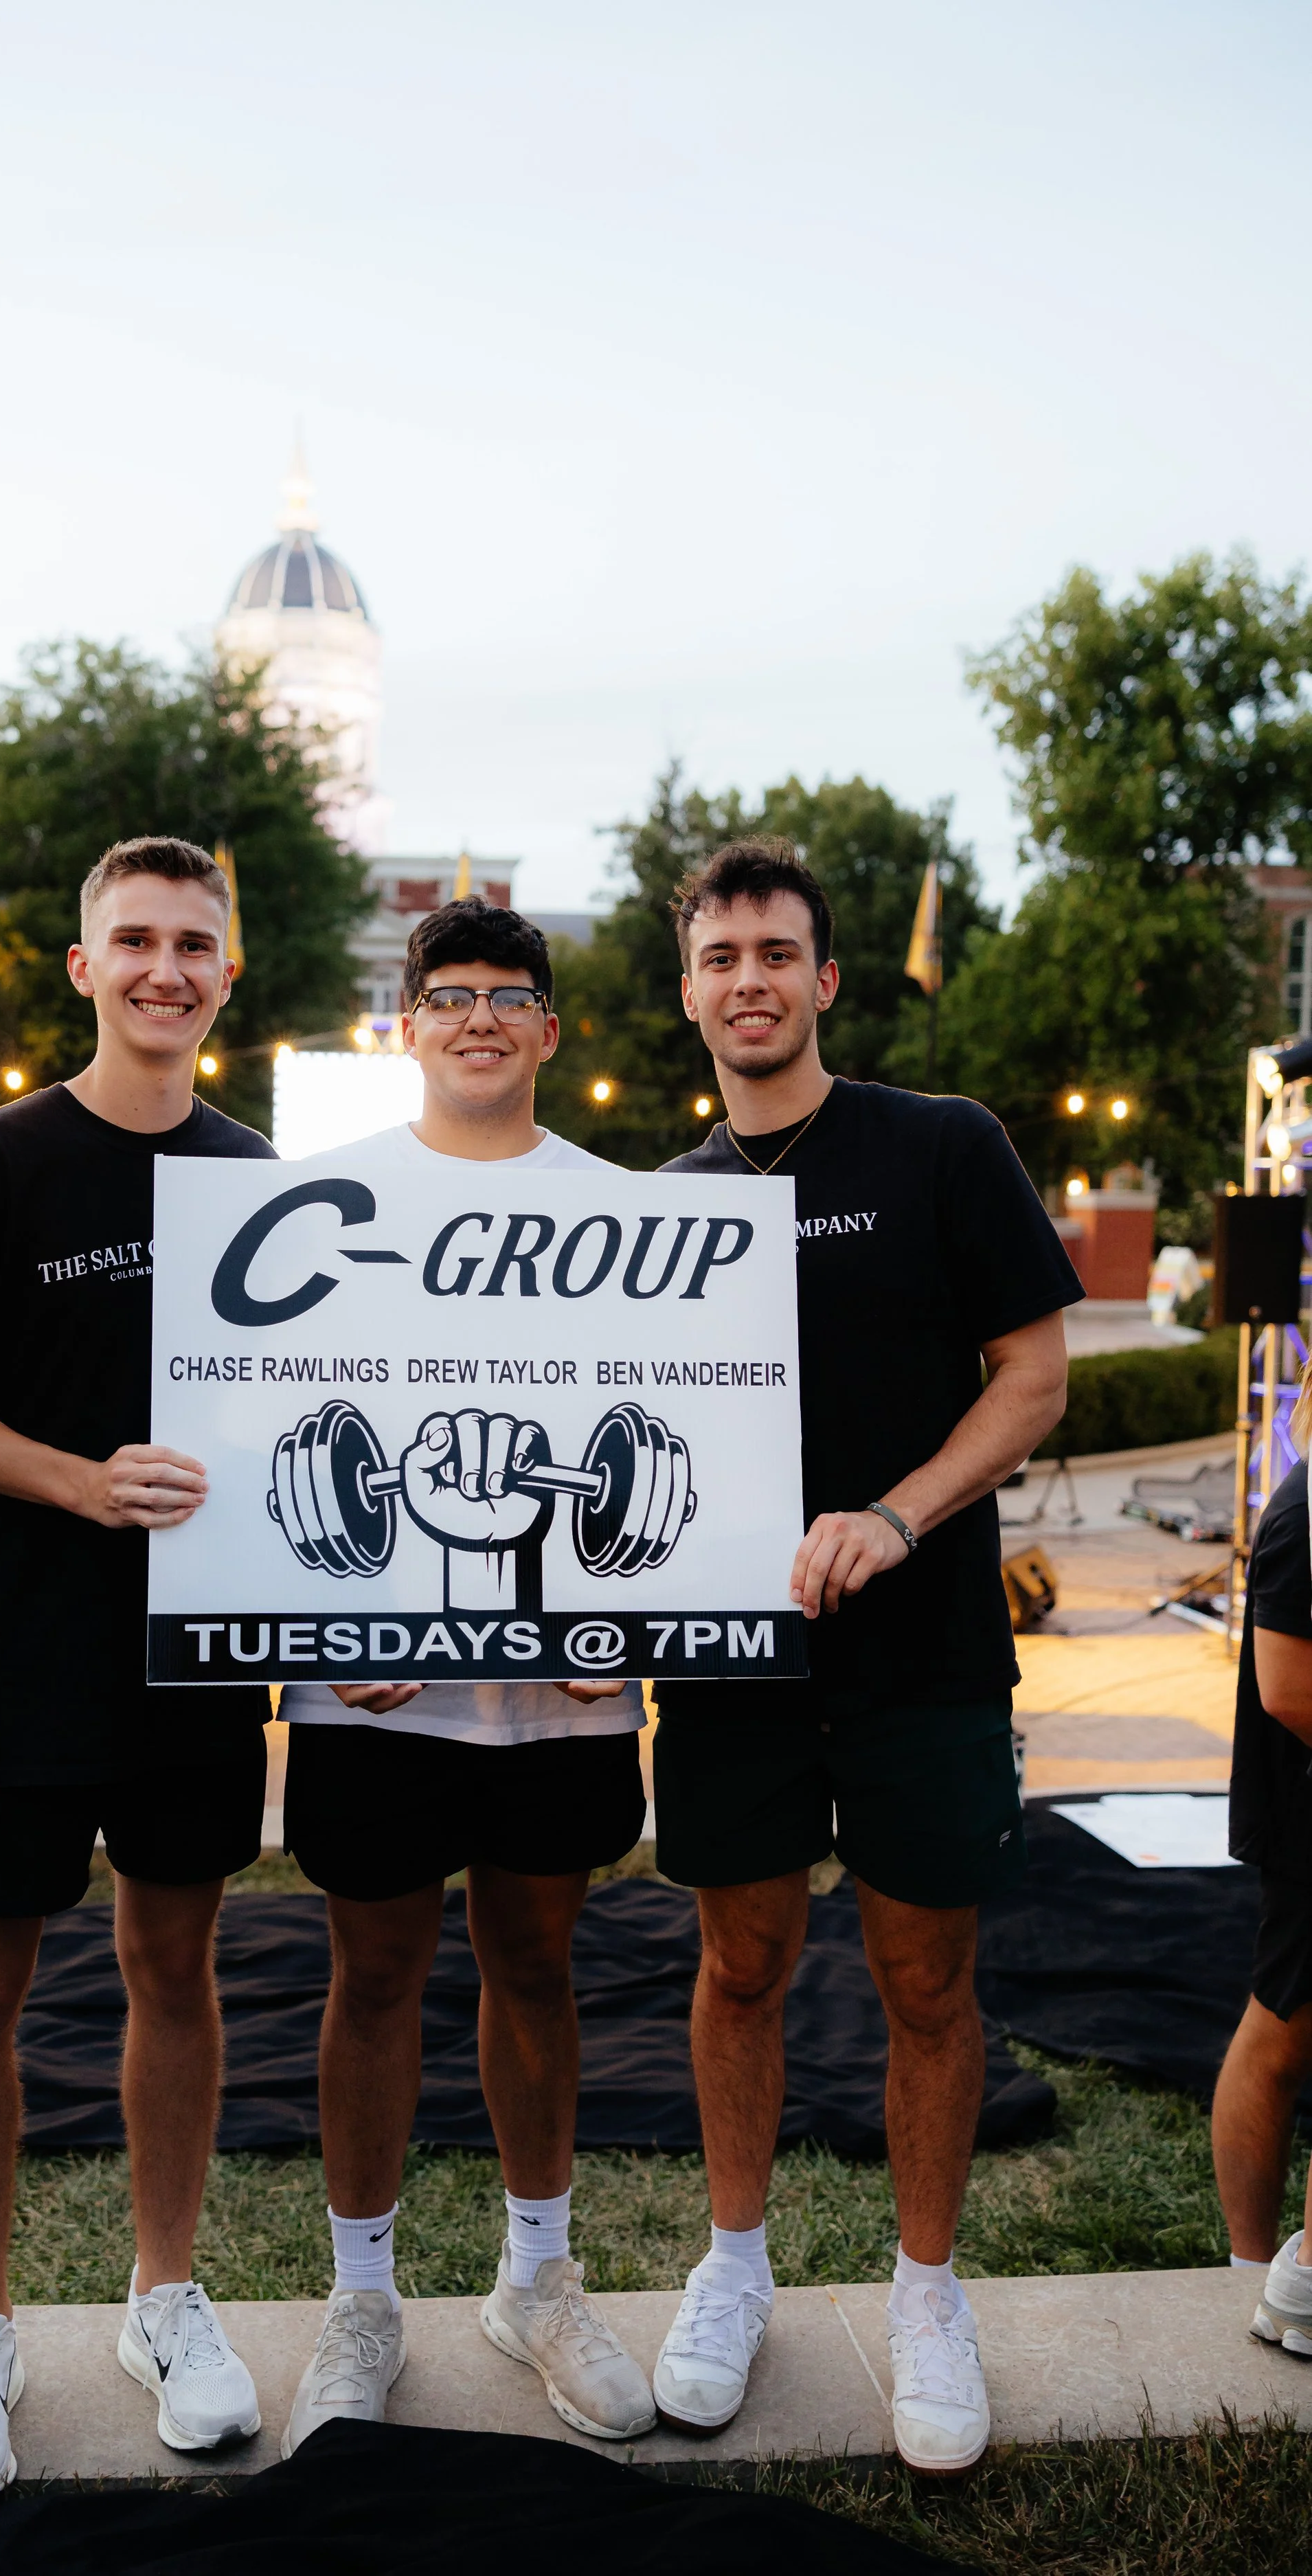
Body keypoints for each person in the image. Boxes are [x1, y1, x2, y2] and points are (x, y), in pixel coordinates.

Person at [648, 839, 1081, 2474]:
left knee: (927, 1982)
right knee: (740, 1964)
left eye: (778, 951)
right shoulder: (664, 1212)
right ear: (688, 990)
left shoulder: (940, 1146)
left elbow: (1033, 1374)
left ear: (824, 980)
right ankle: (736, 2264)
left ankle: (924, 2290)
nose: (749, 978)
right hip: (731, 1667)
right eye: (720, 956)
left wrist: (896, 1515)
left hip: (928, 1650)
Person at [0, 837, 276, 2501]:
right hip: (8, 1646)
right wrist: (83, 1478)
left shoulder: (262, 1181)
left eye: (194, 943)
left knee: (178, 1969)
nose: (166, 967)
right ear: (85, 964)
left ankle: (163, 2291)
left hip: (188, 1663)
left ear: (226, 976)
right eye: (136, 940)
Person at [276, 896, 655, 2457]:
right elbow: (269, 1426)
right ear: (407, 1024)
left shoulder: (629, 1214)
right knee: (370, 1973)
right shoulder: (321, 1205)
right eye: (452, 993)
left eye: (512, 994)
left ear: (552, 1028)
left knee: (537, 1963)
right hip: (376, 1684)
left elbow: (668, 1430)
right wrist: (317, 1618)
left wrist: (630, 1610)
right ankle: (361, 2292)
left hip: (559, 1688)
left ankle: (536, 2275)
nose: (481, 1016)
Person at [1212, 1357, 1312, 2351]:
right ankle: (1256, 2266)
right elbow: (1288, 1686)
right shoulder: (1302, 1511)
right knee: (1279, 2029)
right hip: (1302, 1814)